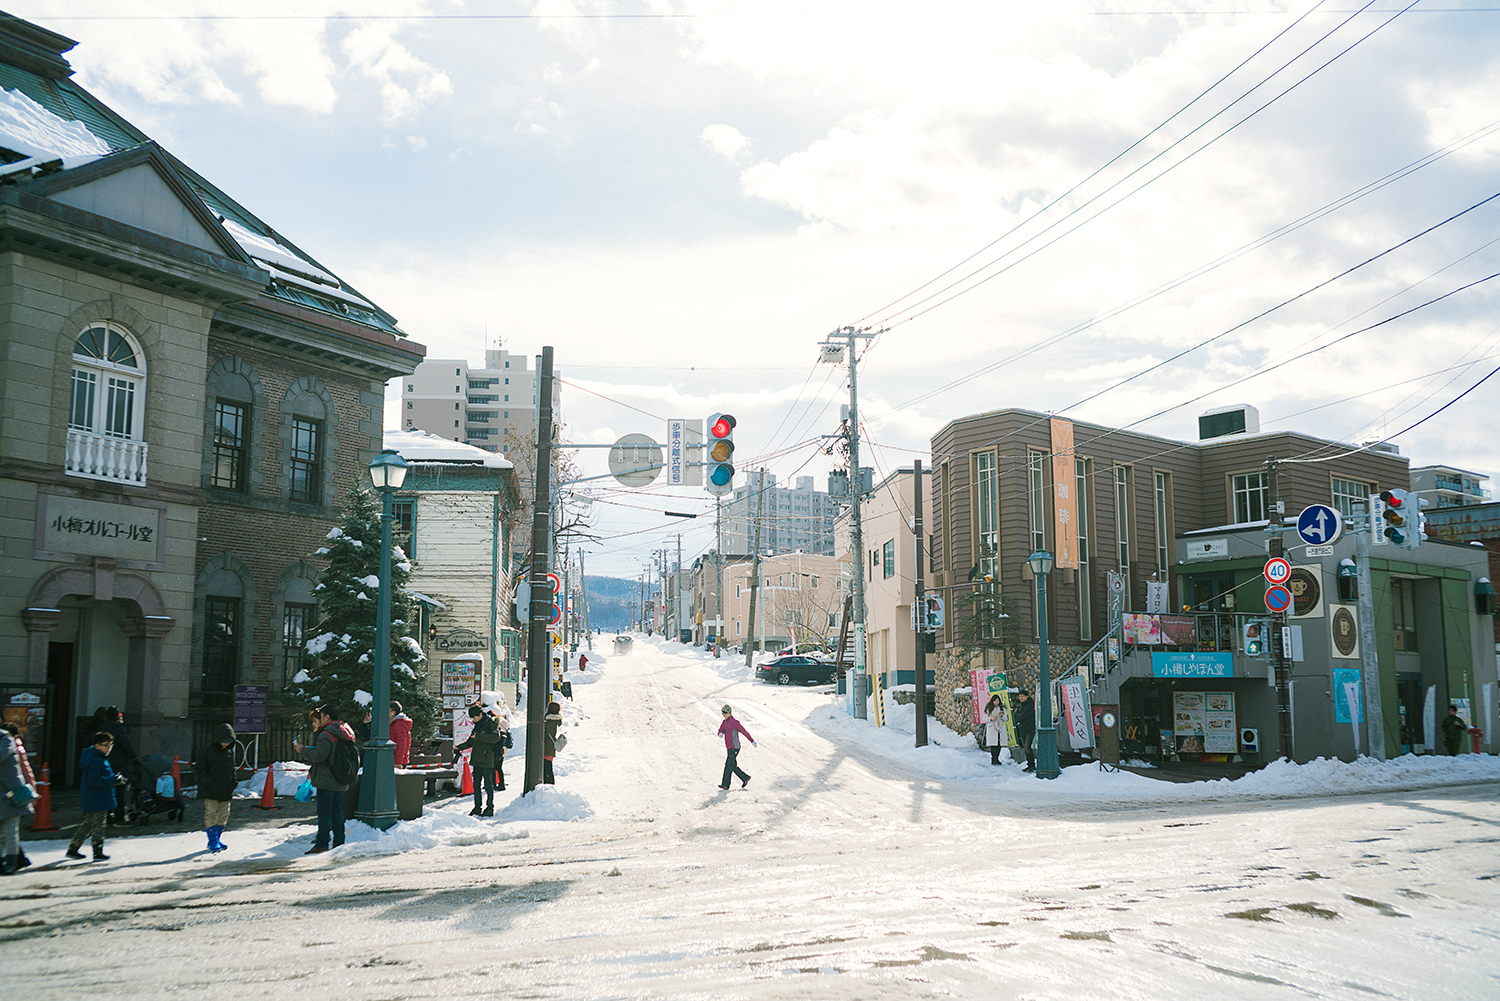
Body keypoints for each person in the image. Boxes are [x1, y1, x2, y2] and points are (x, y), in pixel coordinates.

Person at [293, 705, 356, 854]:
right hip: (341, 778)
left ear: (327, 717)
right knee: (337, 811)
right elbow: (332, 755)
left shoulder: (326, 734)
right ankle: (339, 841)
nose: (319, 720)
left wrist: (303, 750)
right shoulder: (344, 730)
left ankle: (322, 843)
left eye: (321, 716)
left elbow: (320, 756)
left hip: (327, 780)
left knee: (324, 812)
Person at [68, 732, 123, 861]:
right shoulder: (97, 760)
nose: (109, 749)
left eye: (111, 746)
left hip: (95, 796)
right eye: (106, 746)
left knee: (88, 824)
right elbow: (95, 780)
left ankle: (73, 848)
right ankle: (98, 851)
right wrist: (113, 780)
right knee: (98, 825)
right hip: (98, 797)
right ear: (97, 746)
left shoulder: (96, 757)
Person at [1, 722, 37, 875]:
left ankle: (11, 862)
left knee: (10, 831)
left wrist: (33, 786)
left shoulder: (5, 739)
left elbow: (2, 755)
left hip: (10, 793)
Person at [196, 722, 237, 854]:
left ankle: (216, 838)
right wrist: (209, 783)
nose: (225, 744)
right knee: (211, 813)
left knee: (224, 814)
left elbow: (232, 769)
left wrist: (234, 782)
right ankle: (212, 840)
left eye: (228, 742)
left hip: (225, 788)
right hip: (211, 789)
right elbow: (200, 769)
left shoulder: (229, 752)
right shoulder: (206, 751)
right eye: (223, 741)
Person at [453, 705, 501, 816]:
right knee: (476, 785)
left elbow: (494, 738)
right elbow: (471, 740)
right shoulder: (477, 725)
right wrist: (459, 747)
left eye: (475, 717)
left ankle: (490, 807)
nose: (473, 720)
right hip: (477, 758)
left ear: (480, 714)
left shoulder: (491, 723)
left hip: (488, 758)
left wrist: (478, 736)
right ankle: (477, 807)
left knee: (488, 785)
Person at [716, 704, 755, 790]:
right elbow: (721, 729)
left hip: (735, 747)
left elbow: (744, 731)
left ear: (729, 713)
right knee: (732, 765)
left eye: (724, 713)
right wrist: (720, 733)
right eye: (722, 713)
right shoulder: (724, 722)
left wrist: (752, 740)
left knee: (728, 765)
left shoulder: (735, 723)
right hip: (729, 747)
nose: (723, 715)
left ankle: (725, 784)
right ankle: (745, 778)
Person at [1013, 689, 1037, 773]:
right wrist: (1018, 716)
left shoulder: (1029, 705)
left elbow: (1023, 716)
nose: (1020, 698)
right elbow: (1016, 716)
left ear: (1026, 697)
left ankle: (1032, 765)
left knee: (1027, 747)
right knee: (1025, 748)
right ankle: (1030, 764)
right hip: (1022, 729)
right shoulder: (1020, 705)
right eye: (1019, 696)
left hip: (1029, 729)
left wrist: (1019, 716)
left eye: (1022, 696)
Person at [984, 694, 1007, 766]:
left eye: (997, 701)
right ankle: (994, 758)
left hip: (1000, 728)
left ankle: (997, 758)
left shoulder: (1002, 709)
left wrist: (1002, 716)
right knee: (993, 744)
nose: (996, 702)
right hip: (992, 727)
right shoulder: (988, 708)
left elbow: (1006, 719)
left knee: (999, 743)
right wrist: (990, 719)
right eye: (995, 701)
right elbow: (984, 718)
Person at [388, 701, 413, 767]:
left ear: (392, 713)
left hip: (398, 762)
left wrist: (398, 762)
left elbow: (402, 745)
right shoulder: (393, 724)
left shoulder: (399, 724)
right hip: (393, 759)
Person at [543, 701, 562, 784]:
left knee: (546, 769)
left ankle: (549, 786)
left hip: (546, 747)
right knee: (548, 768)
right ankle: (550, 784)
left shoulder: (548, 721)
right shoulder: (554, 721)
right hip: (551, 747)